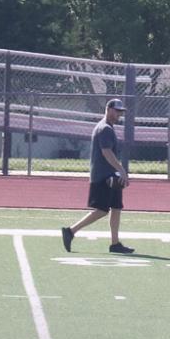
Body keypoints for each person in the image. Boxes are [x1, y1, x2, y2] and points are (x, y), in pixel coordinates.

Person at [61, 97, 134, 255]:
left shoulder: (109, 128)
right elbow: (106, 152)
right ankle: (71, 231)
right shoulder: (105, 128)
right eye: (117, 111)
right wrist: (121, 170)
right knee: (101, 210)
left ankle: (115, 243)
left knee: (116, 207)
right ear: (108, 110)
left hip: (110, 175)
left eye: (121, 112)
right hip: (103, 176)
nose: (119, 115)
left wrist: (119, 172)